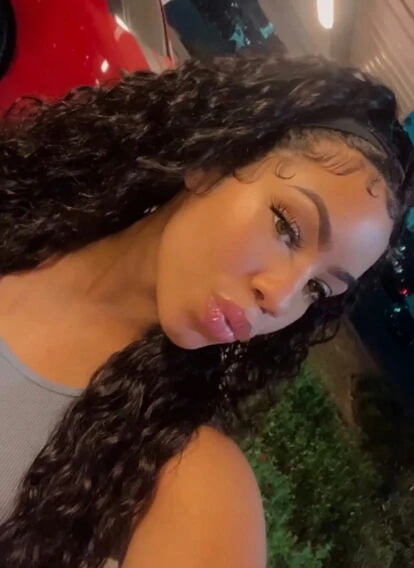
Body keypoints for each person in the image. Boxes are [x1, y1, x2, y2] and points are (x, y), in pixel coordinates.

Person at [0, 54, 412, 568]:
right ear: (212, 162)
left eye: (316, 289)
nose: (280, 298)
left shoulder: (189, 483)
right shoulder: (13, 222)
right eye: (287, 227)